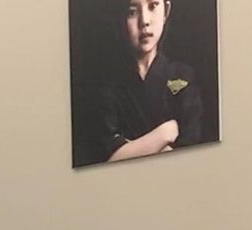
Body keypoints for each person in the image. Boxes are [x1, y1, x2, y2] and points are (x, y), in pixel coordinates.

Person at [74, 0, 203, 167]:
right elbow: (110, 159)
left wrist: (132, 148)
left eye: (153, 6)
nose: (145, 21)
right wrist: (165, 132)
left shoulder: (183, 76)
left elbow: (190, 149)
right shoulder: (105, 85)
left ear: (166, 10)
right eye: (132, 11)